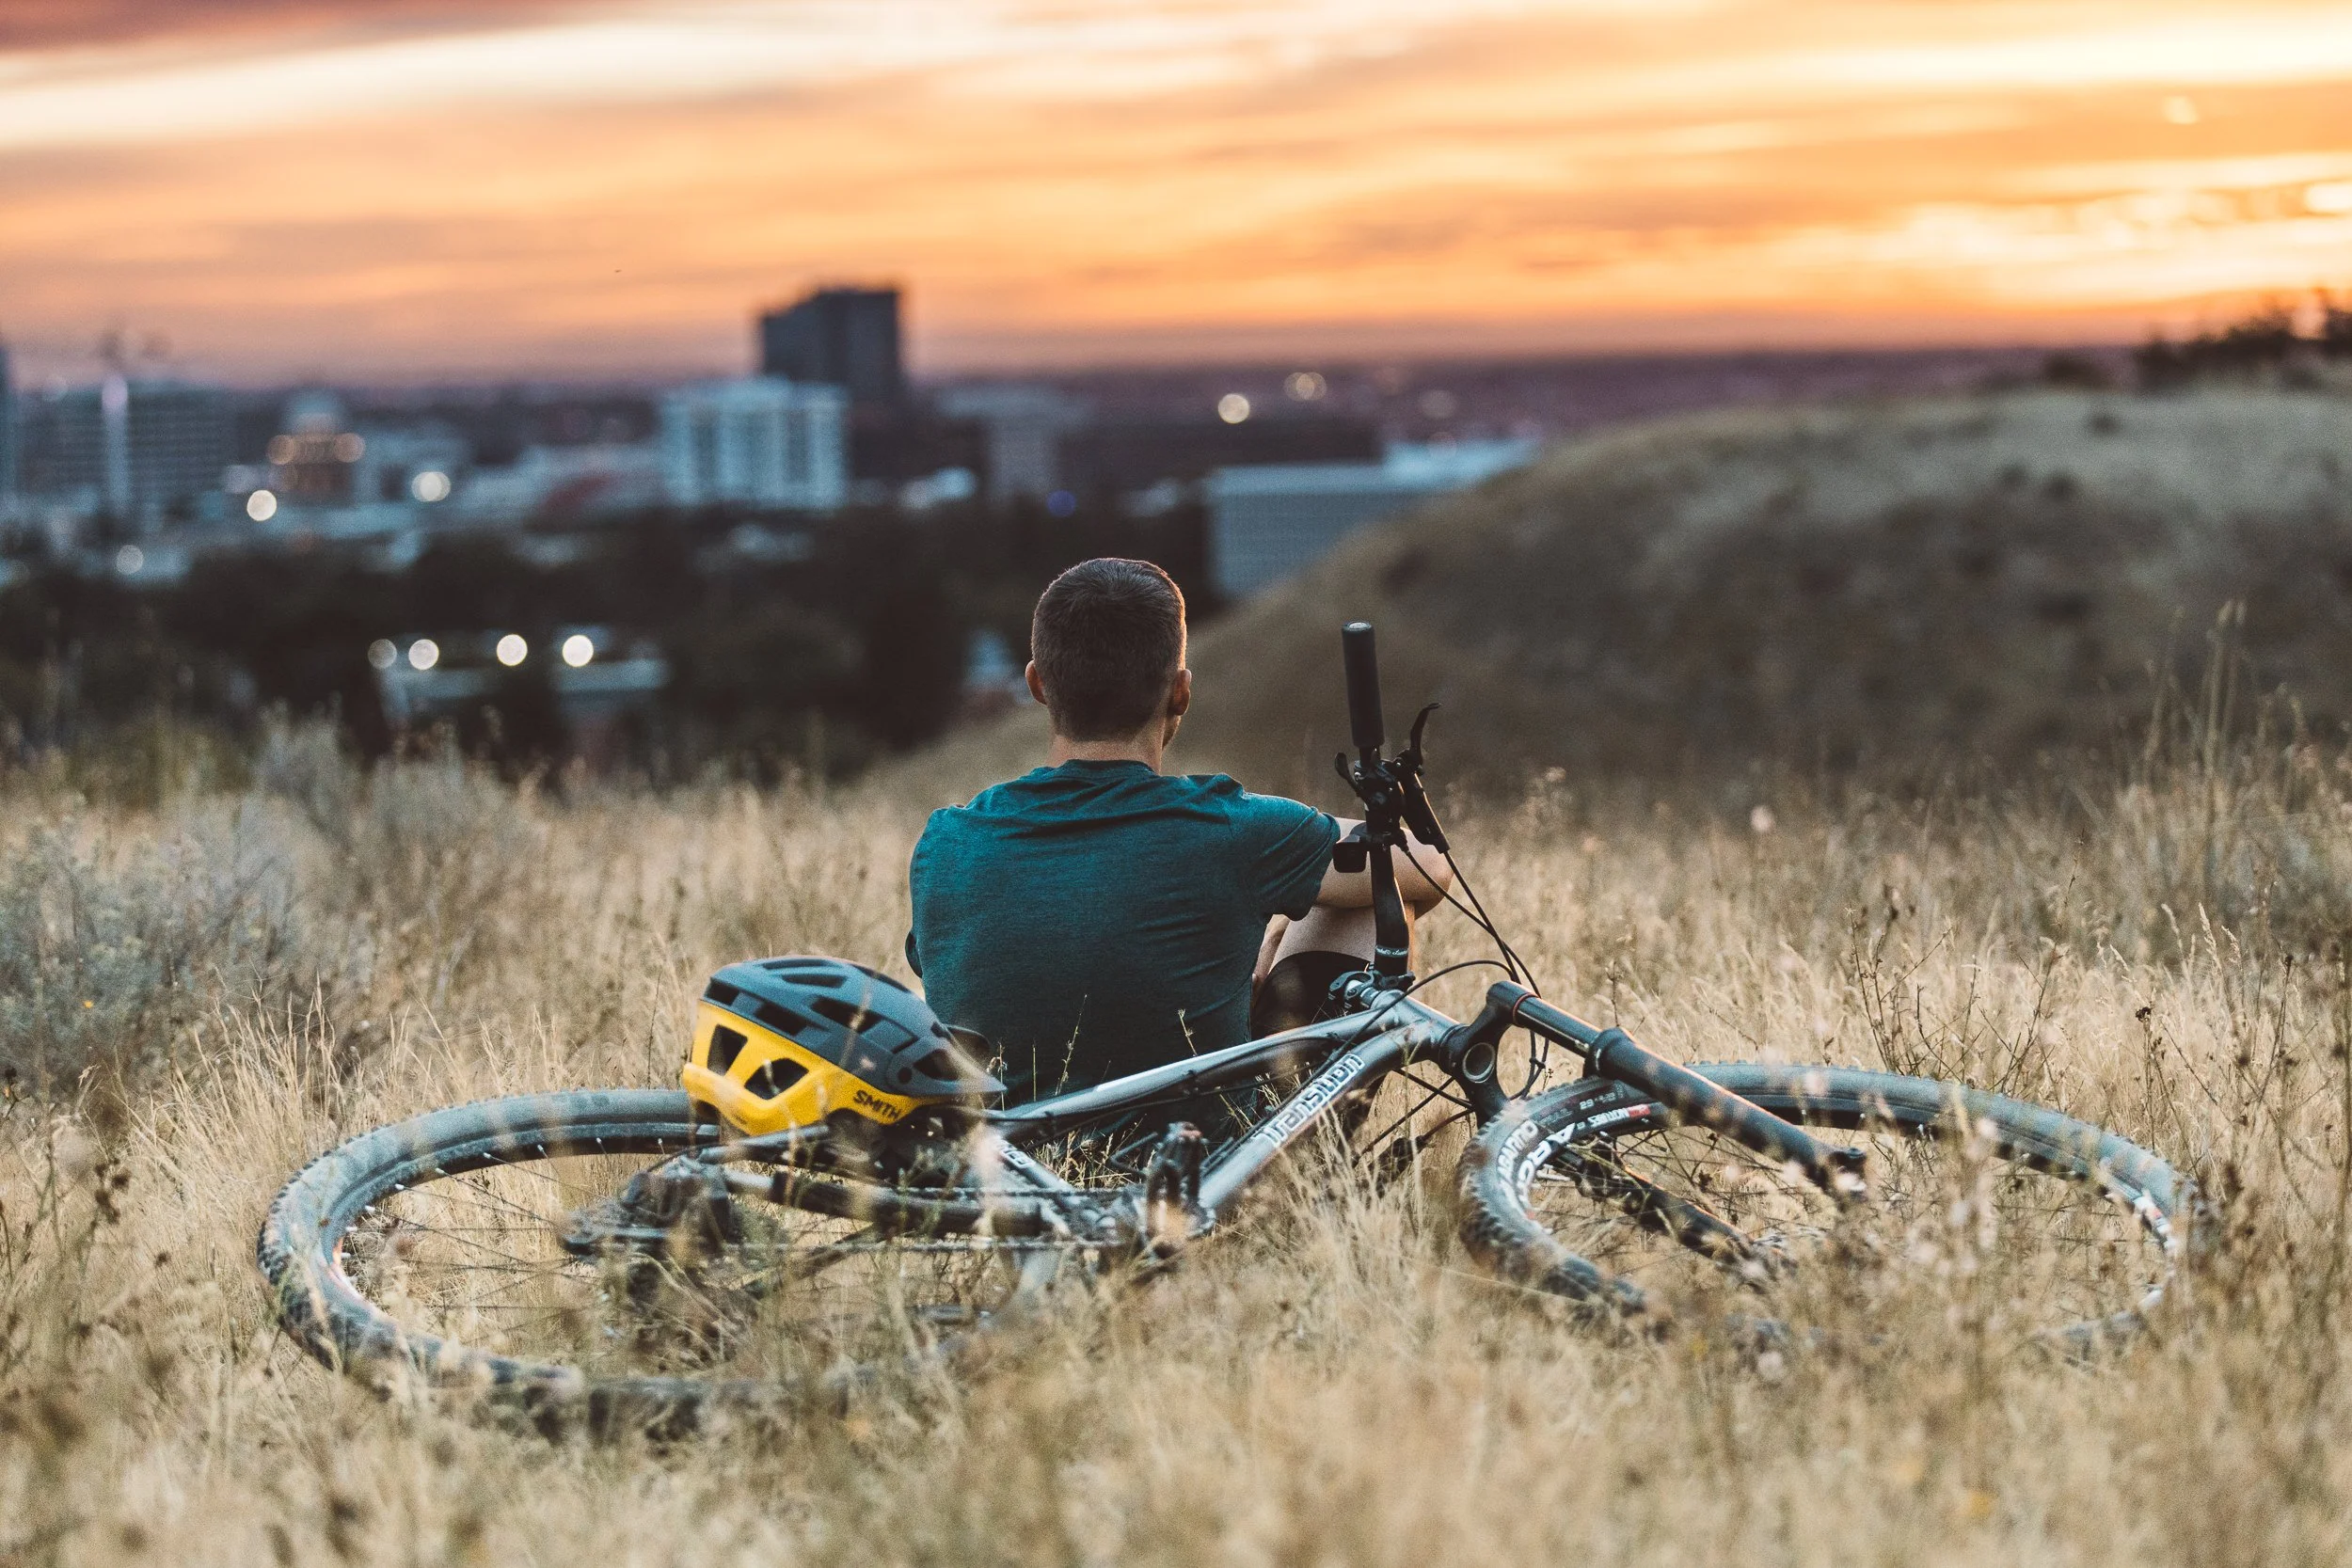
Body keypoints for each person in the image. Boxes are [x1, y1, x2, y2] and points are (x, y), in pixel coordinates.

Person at [907, 557, 1449, 1103]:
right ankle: (1314, 1166)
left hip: (1000, 1173)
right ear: (1181, 692)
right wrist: (1276, 937)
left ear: (1037, 685)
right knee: (1369, 903)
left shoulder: (948, 841)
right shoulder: (1234, 828)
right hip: (1207, 1175)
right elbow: (1426, 863)